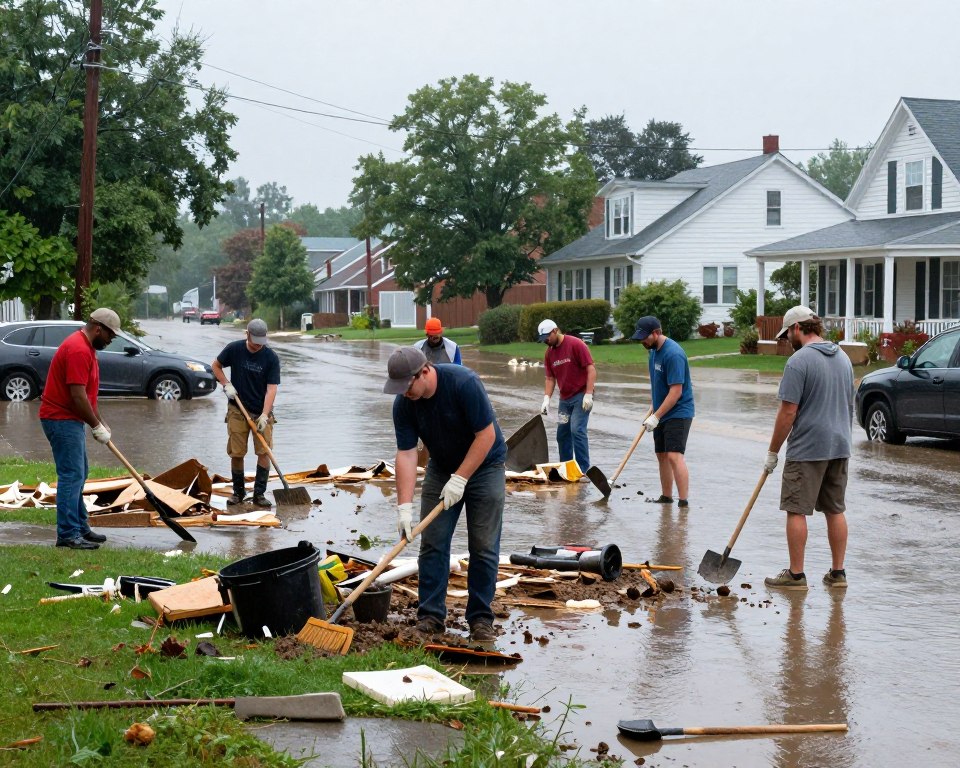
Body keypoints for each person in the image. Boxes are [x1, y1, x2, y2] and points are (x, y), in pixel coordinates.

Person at [384, 346, 506, 643]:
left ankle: (480, 619)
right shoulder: (404, 404)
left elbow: (486, 435)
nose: (404, 393)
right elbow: (406, 454)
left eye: (407, 386)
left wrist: (461, 478)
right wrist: (404, 507)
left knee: (483, 546)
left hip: (486, 466)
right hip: (441, 468)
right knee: (433, 543)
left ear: (424, 372)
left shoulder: (464, 383)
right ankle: (430, 617)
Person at [762, 306, 854, 590]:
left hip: (807, 447)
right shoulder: (843, 358)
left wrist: (773, 451)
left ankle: (796, 575)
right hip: (840, 444)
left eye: (787, 334)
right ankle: (838, 574)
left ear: (797, 328)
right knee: (835, 510)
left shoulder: (798, 361)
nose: (788, 339)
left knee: (796, 509)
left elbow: (788, 412)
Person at [38, 308, 121, 549]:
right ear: (98, 329)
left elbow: (88, 396)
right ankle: (67, 534)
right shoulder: (78, 350)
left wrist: (101, 423)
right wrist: (95, 425)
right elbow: (77, 397)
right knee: (71, 475)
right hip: (60, 419)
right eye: (110, 335)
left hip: (70, 419)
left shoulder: (87, 348)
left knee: (80, 472)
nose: (111, 339)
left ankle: (80, 527)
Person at [211, 318, 281, 508]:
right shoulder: (234, 349)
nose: (258, 345)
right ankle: (238, 493)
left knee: (264, 452)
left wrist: (265, 415)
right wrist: (226, 384)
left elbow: (271, 389)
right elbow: (216, 366)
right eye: (255, 341)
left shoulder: (271, 358)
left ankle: (259, 495)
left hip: (261, 410)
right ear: (247, 334)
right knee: (237, 452)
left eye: (261, 342)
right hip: (238, 409)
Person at [631, 316, 694, 507]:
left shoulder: (673, 354)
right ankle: (666, 497)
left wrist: (656, 416)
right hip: (661, 411)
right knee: (662, 455)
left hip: (678, 412)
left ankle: (683, 502)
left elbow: (676, 392)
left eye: (645, 337)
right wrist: (653, 408)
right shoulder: (653, 352)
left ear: (656, 333)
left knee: (674, 455)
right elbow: (658, 385)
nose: (642, 341)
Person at [538, 319, 596, 474]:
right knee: (562, 434)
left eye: (547, 337)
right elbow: (550, 378)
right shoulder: (549, 353)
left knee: (577, 430)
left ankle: (583, 469)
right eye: (543, 339)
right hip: (565, 399)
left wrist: (589, 394)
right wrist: (546, 398)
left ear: (555, 330)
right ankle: (566, 467)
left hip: (581, 396)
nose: (545, 341)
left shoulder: (576, 344)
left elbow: (590, 369)